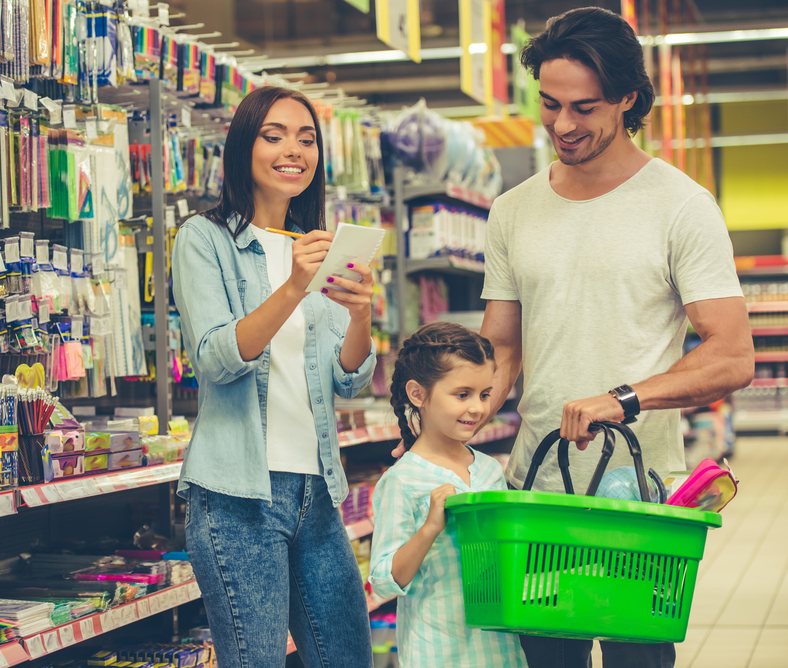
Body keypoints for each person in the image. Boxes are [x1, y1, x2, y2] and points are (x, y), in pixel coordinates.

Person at [476, 7, 755, 668]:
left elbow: (732, 354)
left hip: (638, 498)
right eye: (549, 104)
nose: (562, 125)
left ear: (628, 98)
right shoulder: (512, 211)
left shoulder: (681, 206)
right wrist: (445, 424)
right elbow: (502, 349)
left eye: (584, 107)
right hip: (538, 491)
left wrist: (622, 399)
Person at [171, 86, 376, 667]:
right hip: (238, 496)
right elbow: (216, 358)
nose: (294, 151)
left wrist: (361, 315)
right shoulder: (203, 238)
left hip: (319, 491)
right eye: (275, 135)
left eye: (307, 139)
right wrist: (293, 286)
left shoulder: (319, 247)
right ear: (244, 148)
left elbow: (348, 380)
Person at [369, 322, 528, 668]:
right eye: (462, 394)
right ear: (418, 394)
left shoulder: (489, 470)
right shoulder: (403, 480)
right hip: (437, 652)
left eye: (485, 394)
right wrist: (429, 528)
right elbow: (383, 580)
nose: (478, 408)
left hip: (499, 649)